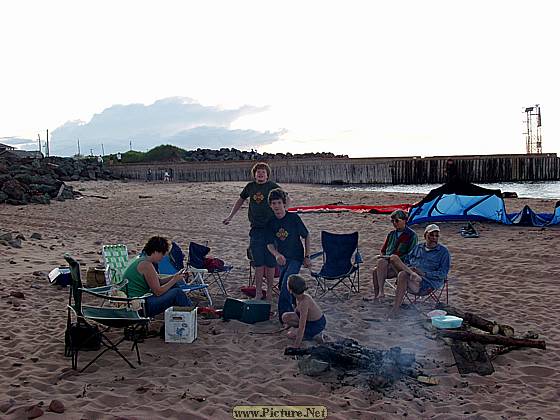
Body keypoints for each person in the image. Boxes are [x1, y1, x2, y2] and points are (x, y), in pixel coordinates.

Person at [223, 162, 280, 302]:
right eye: (258, 172)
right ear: (254, 174)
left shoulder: (272, 186)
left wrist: (283, 214)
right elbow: (240, 201)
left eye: (263, 172)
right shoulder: (250, 187)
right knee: (258, 263)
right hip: (256, 229)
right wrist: (230, 216)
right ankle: (259, 292)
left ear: (267, 175)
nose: (260, 174)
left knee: (271, 263)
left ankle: (270, 293)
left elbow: (286, 198)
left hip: (271, 229)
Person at [386, 224, 451, 319]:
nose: (434, 238)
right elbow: (407, 261)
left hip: (426, 284)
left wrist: (424, 274)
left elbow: (443, 274)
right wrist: (411, 269)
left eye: (436, 236)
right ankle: (411, 274)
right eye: (431, 235)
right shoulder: (417, 248)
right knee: (394, 260)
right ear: (425, 236)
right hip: (411, 277)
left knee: (402, 274)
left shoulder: (443, 252)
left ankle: (395, 309)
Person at [265, 188, 311, 322]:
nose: (277, 206)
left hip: (296, 257)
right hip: (282, 259)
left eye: (279, 203)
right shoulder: (271, 222)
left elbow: (306, 235)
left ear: (284, 204)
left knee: (286, 285)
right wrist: (276, 254)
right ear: (270, 205)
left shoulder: (293, 218)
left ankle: (283, 318)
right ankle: (296, 310)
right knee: (282, 286)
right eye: (274, 203)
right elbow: (269, 244)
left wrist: (307, 256)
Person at [123, 236, 192, 317]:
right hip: (138, 306)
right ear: (155, 251)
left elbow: (158, 282)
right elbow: (158, 292)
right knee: (177, 293)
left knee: (174, 287)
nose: (162, 258)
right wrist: (174, 280)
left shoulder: (142, 260)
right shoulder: (146, 265)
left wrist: (175, 277)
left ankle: (188, 309)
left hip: (136, 302)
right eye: (162, 255)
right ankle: (190, 312)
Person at [371, 210, 417, 302]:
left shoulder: (411, 235)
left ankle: (381, 292)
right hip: (388, 264)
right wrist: (385, 258)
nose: (394, 223)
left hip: (402, 265)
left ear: (405, 220)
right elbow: (384, 250)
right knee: (376, 270)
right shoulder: (391, 234)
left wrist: (388, 258)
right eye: (392, 221)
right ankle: (378, 295)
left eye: (397, 221)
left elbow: (411, 254)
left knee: (384, 261)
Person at [282, 275, 326, 348]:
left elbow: (302, 326)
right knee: (285, 317)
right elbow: (296, 312)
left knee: (290, 335)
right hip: (309, 321)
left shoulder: (304, 302)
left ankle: (315, 335)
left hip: (316, 324)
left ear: (290, 289)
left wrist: (296, 346)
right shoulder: (299, 296)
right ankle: (310, 334)